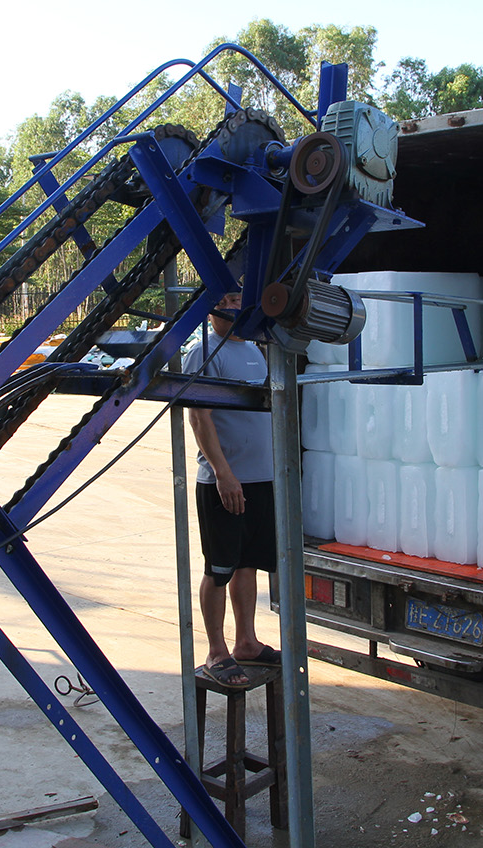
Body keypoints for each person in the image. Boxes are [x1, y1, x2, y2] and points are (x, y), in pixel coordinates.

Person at [182, 288, 279, 689]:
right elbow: (199, 417)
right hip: (226, 482)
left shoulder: (255, 348)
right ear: (209, 310)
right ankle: (217, 651)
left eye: (236, 299)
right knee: (219, 568)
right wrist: (223, 473)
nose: (231, 307)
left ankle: (247, 643)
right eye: (222, 303)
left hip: (261, 478)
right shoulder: (205, 349)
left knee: (247, 563)